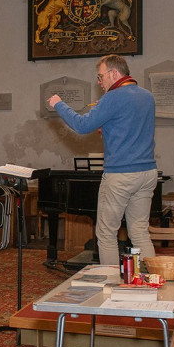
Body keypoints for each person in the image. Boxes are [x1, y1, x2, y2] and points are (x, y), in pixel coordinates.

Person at [47, 54, 157, 268]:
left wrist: (59, 104)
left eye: (101, 77)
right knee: (140, 232)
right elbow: (129, 127)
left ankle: (111, 287)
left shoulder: (113, 98)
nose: (99, 82)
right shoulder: (147, 96)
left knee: (106, 233)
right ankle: (150, 281)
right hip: (147, 172)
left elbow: (81, 125)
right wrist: (107, 125)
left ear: (114, 73)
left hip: (121, 174)